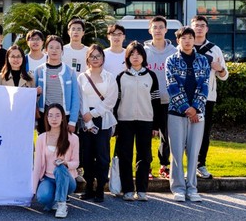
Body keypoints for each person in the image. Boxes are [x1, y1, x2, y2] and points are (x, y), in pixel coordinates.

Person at [165, 26, 210, 202]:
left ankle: (192, 188)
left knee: (193, 152)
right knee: (176, 152)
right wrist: (186, 108)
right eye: (183, 38)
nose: (187, 41)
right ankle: (178, 188)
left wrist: (195, 108)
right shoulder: (171, 60)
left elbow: (204, 85)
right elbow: (172, 86)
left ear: (194, 40)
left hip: (198, 114)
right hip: (176, 112)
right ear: (178, 41)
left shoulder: (203, 60)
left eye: (190, 38)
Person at [114, 41, 162, 202]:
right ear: (127, 57)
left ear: (143, 56)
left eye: (138, 54)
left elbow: (156, 102)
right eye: (132, 54)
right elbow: (116, 101)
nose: (135, 57)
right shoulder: (121, 77)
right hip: (125, 120)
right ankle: (127, 189)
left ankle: (141, 190)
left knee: (144, 156)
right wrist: (115, 124)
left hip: (145, 120)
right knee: (125, 156)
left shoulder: (151, 76)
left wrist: (156, 125)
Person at [77, 45, 118, 202]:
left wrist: (93, 114)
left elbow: (111, 100)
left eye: (98, 56)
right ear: (87, 59)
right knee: (86, 155)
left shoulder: (109, 77)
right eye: (92, 56)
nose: (95, 59)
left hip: (103, 119)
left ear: (103, 58)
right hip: (85, 119)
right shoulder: (82, 77)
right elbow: (80, 99)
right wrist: (86, 117)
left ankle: (100, 188)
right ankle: (89, 187)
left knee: (102, 156)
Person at [191, 15, 229, 180]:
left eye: (202, 25)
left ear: (206, 29)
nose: (199, 28)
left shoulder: (215, 49)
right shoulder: (184, 46)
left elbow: (224, 76)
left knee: (204, 132)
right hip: (186, 98)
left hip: (207, 98)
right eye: (196, 25)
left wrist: (220, 68)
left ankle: (201, 164)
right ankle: (187, 166)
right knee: (185, 133)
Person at [33, 103, 80, 219]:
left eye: (57, 115)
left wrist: (66, 163)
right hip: (48, 178)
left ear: (63, 118)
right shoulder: (41, 138)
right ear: (47, 118)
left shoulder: (73, 138)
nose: (54, 119)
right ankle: (55, 199)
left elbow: (76, 162)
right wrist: (33, 190)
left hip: (67, 179)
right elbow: (37, 164)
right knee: (42, 197)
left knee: (59, 168)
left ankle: (62, 204)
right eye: (50, 115)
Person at [143, 15, 176, 179]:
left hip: (168, 101)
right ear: (150, 30)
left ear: (166, 30)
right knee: (146, 135)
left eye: (161, 27)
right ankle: (146, 166)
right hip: (147, 101)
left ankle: (164, 166)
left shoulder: (174, 52)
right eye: (154, 27)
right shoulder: (143, 52)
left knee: (167, 136)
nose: (158, 30)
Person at [34, 35, 80, 135]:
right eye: (51, 47)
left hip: (65, 117)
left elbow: (75, 98)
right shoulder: (39, 71)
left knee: (64, 144)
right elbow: (33, 98)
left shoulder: (70, 72)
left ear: (62, 51)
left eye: (58, 48)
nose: (54, 50)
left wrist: (72, 121)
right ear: (45, 50)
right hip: (44, 117)